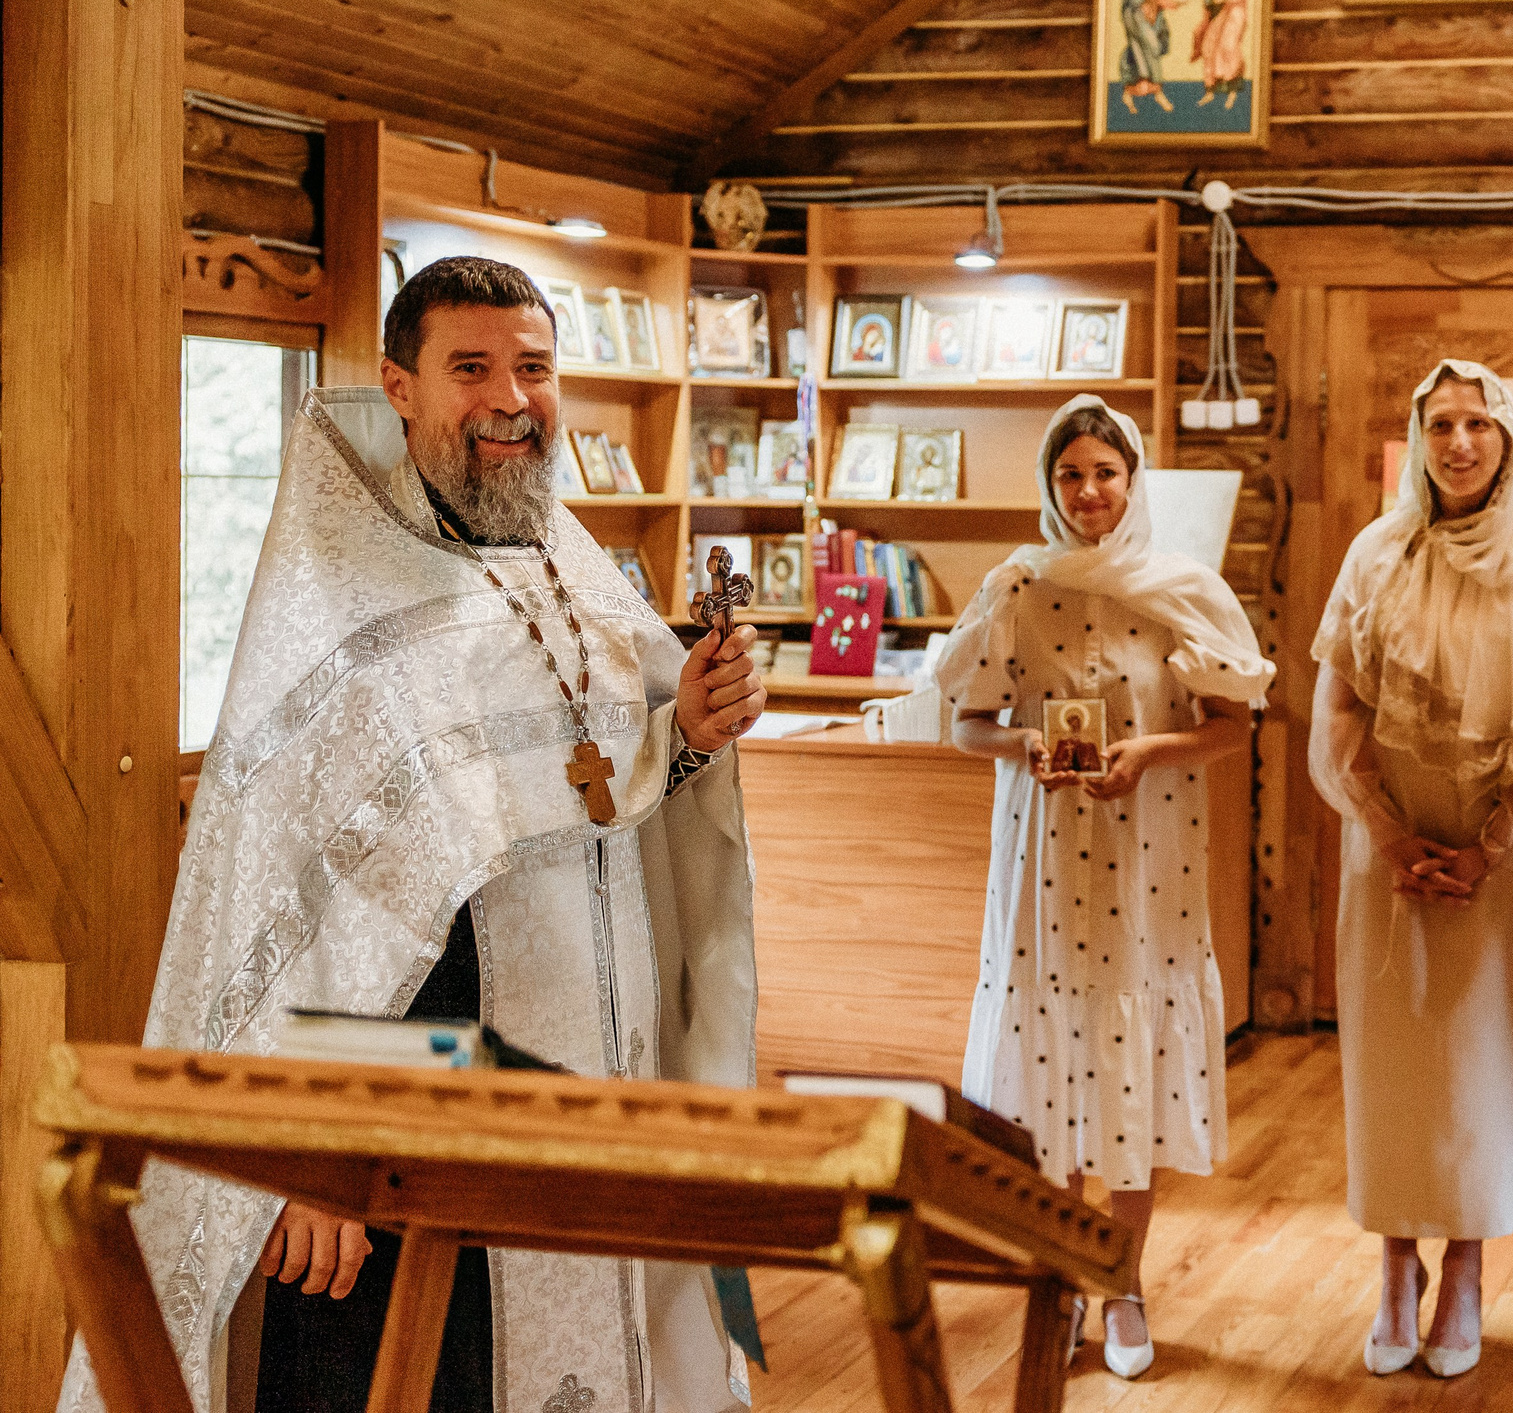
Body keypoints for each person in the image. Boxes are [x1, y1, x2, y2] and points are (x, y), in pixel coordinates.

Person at [57, 257, 767, 1413]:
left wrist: (682, 731)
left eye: (533, 368)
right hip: (406, 1123)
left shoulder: (568, 566)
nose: (510, 400)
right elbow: (296, 917)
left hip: (581, 1101)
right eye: (470, 368)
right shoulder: (342, 603)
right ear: (400, 386)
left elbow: (600, 795)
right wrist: (311, 1158)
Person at [939, 396, 1272, 1380]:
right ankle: (1060, 1276)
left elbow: (1234, 724)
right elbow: (966, 722)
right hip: (1042, 860)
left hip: (1149, 856)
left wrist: (1148, 752)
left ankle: (1121, 1281)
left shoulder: (1182, 589)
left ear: (1134, 481)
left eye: (1106, 473)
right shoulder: (1016, 586)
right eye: (1071, 475)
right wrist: (1025, 745)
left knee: (1129, 1071)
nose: (1089, 492)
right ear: (1051, 486)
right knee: (1051, 1073)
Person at [1310, 363, 1513, 1382]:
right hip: (1385, 844)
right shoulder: (1375, 549)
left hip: (1497, 851)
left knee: (1479, 1059)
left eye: (1477, 422)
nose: (1459, 442)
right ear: (1418, 437)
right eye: (1440, 424)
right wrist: (1391, 836)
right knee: (1391, 1059)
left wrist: (1490, 841)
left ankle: (1467, 1269)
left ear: (1505, 437)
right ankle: (1396, 1266)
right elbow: (1338, 705)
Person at [1118, 0, 1181, 116]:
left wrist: (1176, 3)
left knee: (1142, 51)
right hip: (1136, 17)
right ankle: (1158, 92)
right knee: (1151, 48)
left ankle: (1130, 93)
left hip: (1154, 18)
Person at [1192, 0, 1251, 111]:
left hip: (1234, 14)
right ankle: (1211, 89)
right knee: (1209, 48)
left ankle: (1232, 90)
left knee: (1228, 47)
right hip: (1217, 15)